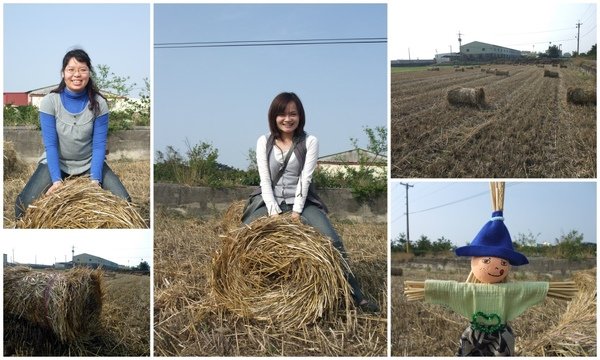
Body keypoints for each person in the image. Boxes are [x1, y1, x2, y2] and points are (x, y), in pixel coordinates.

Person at [242, 91, 379, 313]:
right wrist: (274, 213)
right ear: (273, 116)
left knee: (333, 241)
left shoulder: (309, 141)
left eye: (293, 114)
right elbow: (264, 179)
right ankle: (243, 294)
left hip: (302, 201)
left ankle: (356, 295)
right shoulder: (263, 141)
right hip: (268, 200)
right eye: (282, 114)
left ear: (300, 116)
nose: (288, 119)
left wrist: (296, 212)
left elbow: (305, 179)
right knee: (242, 238)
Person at [15, 48, 130, 219]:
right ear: (63, 73)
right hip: (56, 163)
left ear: (89, 73)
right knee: (22, 204)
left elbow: (99, 146)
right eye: (71, 70)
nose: (77, 74)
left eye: (82, 69)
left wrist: (95, 180)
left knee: (125, 202)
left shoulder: (99, 103)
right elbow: (51, 145)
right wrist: (56, 180)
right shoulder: (50, 102)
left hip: (88, 163)